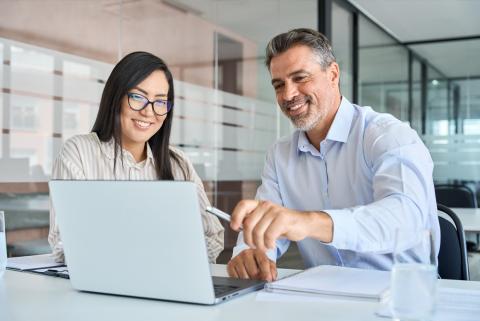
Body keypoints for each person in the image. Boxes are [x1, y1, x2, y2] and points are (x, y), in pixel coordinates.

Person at [227, 28, 440, 282]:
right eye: (279, 85)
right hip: (324, 295)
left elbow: (406, 220)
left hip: (401, 296)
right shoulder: (280, 154)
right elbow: (267, 227)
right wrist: (251, 252)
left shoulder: (387, 135)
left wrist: (308, 222)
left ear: (333, 75)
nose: (288, 94)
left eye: (300, 78)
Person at [48, 52, 224, 263]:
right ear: (116, 97)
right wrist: (168, 244)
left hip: (170, 285)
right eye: (138, 97)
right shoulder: (79, 153)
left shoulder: (178, 163)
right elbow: (64, 243)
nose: (149, 112)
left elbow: (213, 237)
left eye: (160, 102)